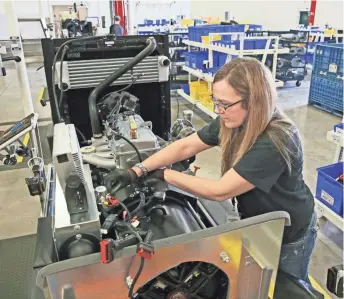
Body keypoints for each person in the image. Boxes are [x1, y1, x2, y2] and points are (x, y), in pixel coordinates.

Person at [106, 57, 317, 282]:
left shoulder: (275, 140)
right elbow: (186, 145)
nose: (219, 110)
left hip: (289, 233)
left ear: (254, 101)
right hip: (260, 221)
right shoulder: (233, 122)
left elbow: (220, 191)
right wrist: (137, 170)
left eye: (225, 104)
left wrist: (164, 174)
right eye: (216, 102)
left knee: (287, 287)